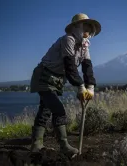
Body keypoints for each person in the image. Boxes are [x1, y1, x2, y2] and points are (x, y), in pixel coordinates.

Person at [29, 13, 101, 156]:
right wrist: (80, 87)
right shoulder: (68, 40)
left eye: (89, 27)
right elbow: (70, 66)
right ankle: (64, 146)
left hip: (57, 80)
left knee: (45, 110)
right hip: (44, 76)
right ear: (76, 27)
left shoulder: (85, 46)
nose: (87, 29)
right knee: (58, 110)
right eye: (85, 25)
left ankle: (36, 145)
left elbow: (87, 67)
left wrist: (90, 87)